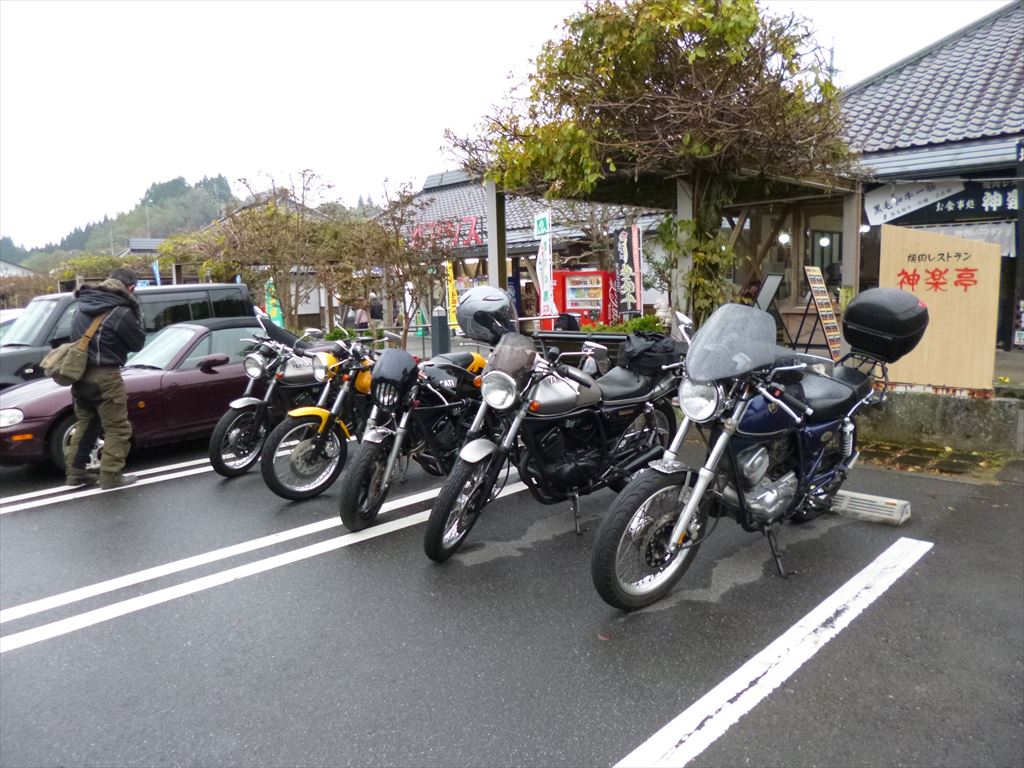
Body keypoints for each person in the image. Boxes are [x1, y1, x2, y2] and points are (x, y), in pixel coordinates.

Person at [65, 267, 146, 490]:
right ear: (131, 288)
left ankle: (75, 473)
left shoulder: (82, 305)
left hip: (80, 374)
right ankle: (111, 476)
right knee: (118, 428)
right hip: (106, 375)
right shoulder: (121, 311)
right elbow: (137, 343)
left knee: (87, 423)